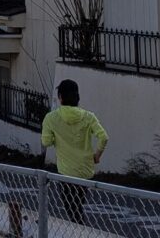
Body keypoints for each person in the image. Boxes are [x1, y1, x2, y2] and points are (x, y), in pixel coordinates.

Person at [41, 79, 108, 225]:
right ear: (77, 96)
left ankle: (80, 231)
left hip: (65, 171)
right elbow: (103, 137)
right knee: (78, 206)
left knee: (73, 210)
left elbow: (46, 142)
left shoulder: (51, 118)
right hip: (85, 171)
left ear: (60, 97)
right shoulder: (89, 116)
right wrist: (97, 155)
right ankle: (79, 229)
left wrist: (57, 138)